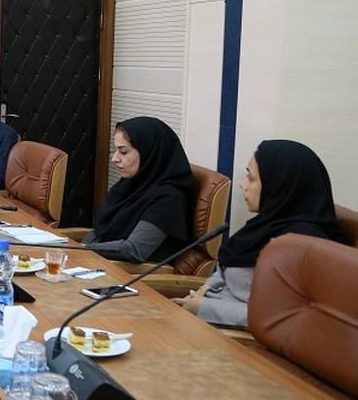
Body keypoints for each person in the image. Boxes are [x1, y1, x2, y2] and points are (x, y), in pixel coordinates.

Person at [174, 140, 342, 328]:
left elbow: (280, 317)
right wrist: (204, 290)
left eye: (251, 178)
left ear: (279, 185)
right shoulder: (265, 225)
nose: (242, 184)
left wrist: (204, 307)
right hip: (209, 317)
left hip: (235, 335)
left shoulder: (300, 245)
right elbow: (226, 268)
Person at [85, 117, 195, 263]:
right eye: (115, 150)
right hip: (103, 263)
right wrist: (74, 248)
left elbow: (134, 250)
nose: (114, 159)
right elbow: (101, 231)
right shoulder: (131, 184)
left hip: (132, 273)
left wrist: (83, 249)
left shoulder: (168, 199)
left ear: (149, 153)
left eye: (123, 152)